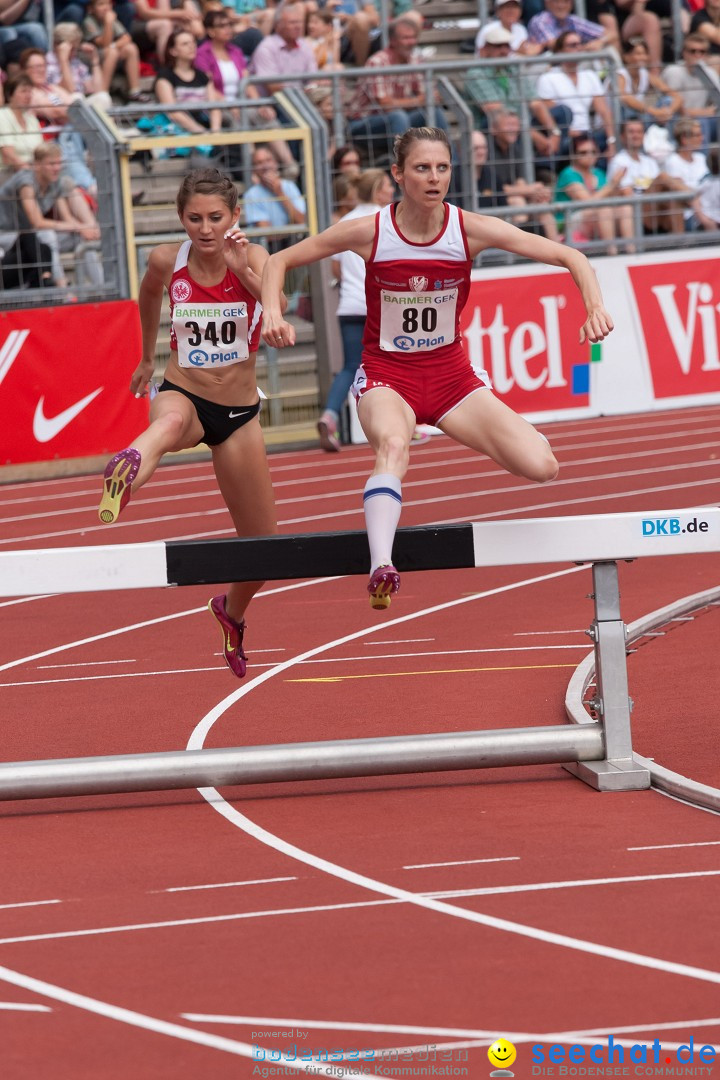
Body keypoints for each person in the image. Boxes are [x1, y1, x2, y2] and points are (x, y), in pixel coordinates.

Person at [261, 126, 613, 610]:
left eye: (442, 168)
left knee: (543, 467)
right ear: (398, 174)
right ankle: (381, 564)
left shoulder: (467, 229)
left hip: (452, 380)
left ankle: (507, 435)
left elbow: (569, 255)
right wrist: (274, 314)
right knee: (392, 444)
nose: (434, 178)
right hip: (389, 376)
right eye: (422, 168)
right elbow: (279, 260)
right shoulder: (370, 231)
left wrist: (592, 307)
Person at [97, 167, 280, 679]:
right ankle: (128, 467)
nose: (205, 228)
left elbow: (277, 307)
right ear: (181, 218)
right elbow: (149, 293)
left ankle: (231, 611)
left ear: (234, 216)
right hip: (184, 390)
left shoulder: (256, 257)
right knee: (168, 425)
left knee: (264, 544)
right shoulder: (166, 259)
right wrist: (146, 357)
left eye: (215, 218)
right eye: (194, 218)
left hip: (239, 413)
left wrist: (242, 267)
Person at [555, 133, 634, 254]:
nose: (589, 156)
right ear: (573, 155)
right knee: (604, 209)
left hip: (594, 218)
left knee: (625, 208)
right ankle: (611, 252)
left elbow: (607, 196)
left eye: (593, 151)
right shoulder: (568, 174)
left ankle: (631, 250)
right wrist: (612, 185)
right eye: (583, 152)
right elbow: (587, 202)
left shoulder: (598, 172)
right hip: (570, 221)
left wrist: (619, 190)